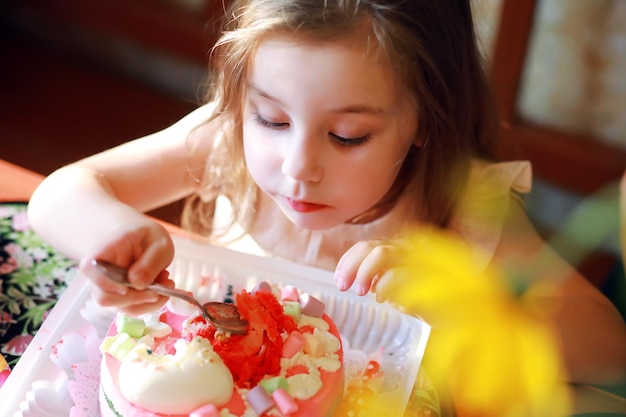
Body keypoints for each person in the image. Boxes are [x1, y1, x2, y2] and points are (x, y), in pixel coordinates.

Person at [27, 0, 625, 386]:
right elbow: (61, 193)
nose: (298, 167)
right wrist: (108, 232)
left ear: (425, 120)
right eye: (272, 119)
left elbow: (608, 348)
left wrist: (454, 293)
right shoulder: (224, 143)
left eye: (347, 136)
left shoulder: (465, 205)